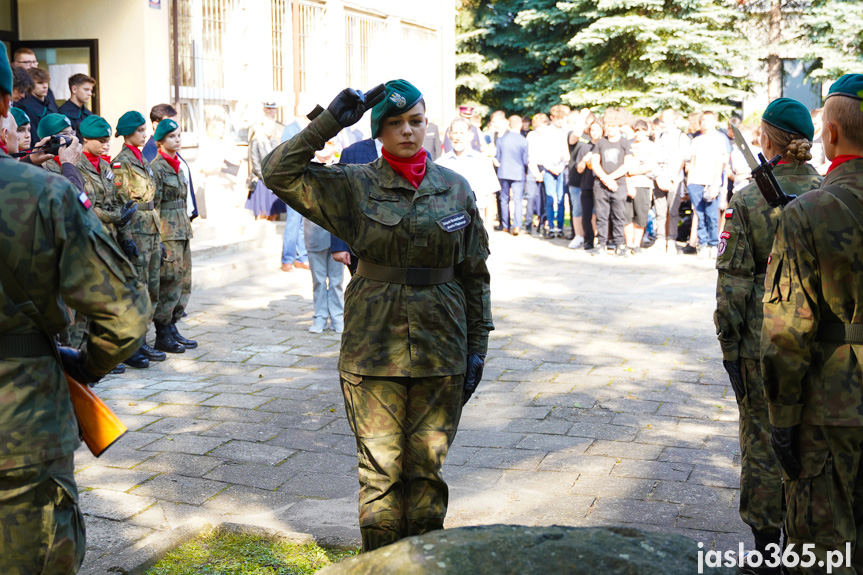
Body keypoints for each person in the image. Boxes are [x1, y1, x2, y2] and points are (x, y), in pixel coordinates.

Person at [261, 79, 493, 552]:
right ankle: (382, 564)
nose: (407, 132)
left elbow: (475, 275)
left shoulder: (455, 188)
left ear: (427, 125)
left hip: (442, 350)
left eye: (416, 121)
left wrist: (478, 349)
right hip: (373, 353)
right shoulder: (352, 184)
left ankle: (427, 560)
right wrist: (326, 125)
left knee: (427, 471)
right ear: (378, 132)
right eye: (394, 123)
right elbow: (277, 174)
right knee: (381, 472)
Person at [0, 44, 150, 575]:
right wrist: (85, 367)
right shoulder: (43, 192)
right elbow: (126, 315)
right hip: (21, 426)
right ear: (4, 107)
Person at [714, 98, 822, 573]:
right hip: (821, 339)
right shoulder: (829, 192)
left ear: (766, 139)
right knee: (812, 437)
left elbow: (732, 285)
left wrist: (730, 350)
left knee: (762, 440)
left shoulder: (748, 199)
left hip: (765, 340)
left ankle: (765, 552)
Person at [761, 74, 863, 575]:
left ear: (832, 136)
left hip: (829, 415)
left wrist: (781, 420)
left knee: (823, 555)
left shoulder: (807, 214)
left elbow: (785, 334)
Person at [112, 110, 165, 368]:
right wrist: (125, 237)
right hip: (136, 229)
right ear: (128, 134)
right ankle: (133, 343)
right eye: (141, 131)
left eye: (145, 130)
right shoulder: (121, 163)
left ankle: (143, 338)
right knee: (138, 287)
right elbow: (121, 204)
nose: (145, 134)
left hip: (151, 227)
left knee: (152, 285)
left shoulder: (141, 158)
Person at [150, 118, 197, 353]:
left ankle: (172, 326)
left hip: (182, 228)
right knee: (169, 281)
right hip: (167, 231)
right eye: (171, 136)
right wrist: (157, 237)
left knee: (183, 281)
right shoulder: (157, 167)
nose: (177, 139)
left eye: (179, 135)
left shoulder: (179, 163)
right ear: (160, 141)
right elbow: (153, 204)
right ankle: (162, 332)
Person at [304, 140, 345, 333]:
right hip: (315, 230)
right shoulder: (307, 170)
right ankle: (320, 316)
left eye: (329, 146)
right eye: (321, 146)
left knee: (336, 280)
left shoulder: (341, 168)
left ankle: (337, 317)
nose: (325, 151)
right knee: (319, 279)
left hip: (337, 233)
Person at [437, 117, 501, 234]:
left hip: (476, 223)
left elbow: (490, 196)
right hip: (448, 225)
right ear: (449, 135)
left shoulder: (483, 161)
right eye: (455, 133)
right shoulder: (440, 164)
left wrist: (489, 227)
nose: (458, 137)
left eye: (462, 133)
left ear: (470, 136)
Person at [143, 104, 199, 220]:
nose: (173, 127)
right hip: (168, 223)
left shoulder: (171, 149)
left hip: (180, 219)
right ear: (155, 125)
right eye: (169, 123)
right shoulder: (151, 154)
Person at [591, 108, 634, 256]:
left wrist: (612, 178)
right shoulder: (600, 143)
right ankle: (601, 244)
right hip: (601, 185)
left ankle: (619, 244)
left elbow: (627, 165)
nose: (610, 129)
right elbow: (595, 163)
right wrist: (605, 178)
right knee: (602, 215)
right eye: (608, 126)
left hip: (618, 185)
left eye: (613, 126)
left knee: (619, 215)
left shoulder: (625, 143)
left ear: (619, 126)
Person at [687, 110, 729, 259]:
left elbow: (721, 162)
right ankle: (703, 244)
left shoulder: (719, 139)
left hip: (711, 182)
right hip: (696, 181)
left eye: (709, 120)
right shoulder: (697, 140)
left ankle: (713, 243)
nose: (705, 123)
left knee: (711, 215)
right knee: (699, 214)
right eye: (703, 120)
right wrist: (689, 182)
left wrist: (716, 183)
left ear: (715, 121)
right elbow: (692, 162)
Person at [246, 101, 289, 222]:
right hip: (263, 179)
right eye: (268, 109)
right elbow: (254, 162)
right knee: (262, 214)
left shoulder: (279, 131)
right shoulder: (256, 137)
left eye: (273, 109)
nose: (271, 111)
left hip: (275, 179)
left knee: (274, 214)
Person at [537, 105, 571, 238]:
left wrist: (562, 165)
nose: (561, 122)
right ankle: (551, 226)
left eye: (563, 119)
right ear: (552, 118)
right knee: (550, 199)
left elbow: (567, 153)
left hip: (561, 168)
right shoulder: (545, 132)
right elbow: (542, 153)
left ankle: (560, 227)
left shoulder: (565, 132)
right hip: (549, 168)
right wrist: (550, 167)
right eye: (558, 119)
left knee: (562, 199)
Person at [625, 119, 657, 254]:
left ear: (646, 132)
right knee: (627, 216)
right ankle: (629, 244)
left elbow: (650, 166)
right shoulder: (628, 145)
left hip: (643, 184)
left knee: (640, 215)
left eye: (641, 131)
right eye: (636, 131)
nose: (638, 134)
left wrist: (632, 172)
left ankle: (636, 244)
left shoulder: (651, 146)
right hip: (627, 184)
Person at [494, 114, 529, 235]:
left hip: (503, 172)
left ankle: (505, 225)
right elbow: (525, 160)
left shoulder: (501, 140)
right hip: (518, 172)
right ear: (520, 125)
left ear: (509, 124)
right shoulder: (523, 140)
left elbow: (498, 157)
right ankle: (517, 226)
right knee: (518, 199)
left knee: (504, 199)